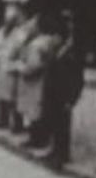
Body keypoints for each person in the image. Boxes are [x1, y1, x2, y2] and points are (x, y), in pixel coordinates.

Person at [39, 12, 85, 169]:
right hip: (52, 95)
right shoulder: (55, 52)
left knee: (62, 128)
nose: (52, 40)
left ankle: (62, 155)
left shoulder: (71, 55)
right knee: (53, 123)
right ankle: (54, 151)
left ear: (62, 38)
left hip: (63, 97)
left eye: (55, 37)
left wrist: (71, 100)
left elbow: (78, 80)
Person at [16, 12, 64, 148]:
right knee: (41, 109)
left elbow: (33, 65)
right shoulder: (52, 41)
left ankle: (36, 139)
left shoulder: (36, 45)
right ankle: (44, 137)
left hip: (34, 83)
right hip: (47, 80)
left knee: (34, 111)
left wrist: (21, 67)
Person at [0, 5, 29, 130]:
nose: (8, 22)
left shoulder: (21, 35)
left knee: (14, 98)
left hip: (12, 69)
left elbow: (22, 52)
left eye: (11, 19)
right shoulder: (1, 32)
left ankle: (17, 123)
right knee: (1, 95)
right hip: (1, 67)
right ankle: (2, 119)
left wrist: (16, 64)